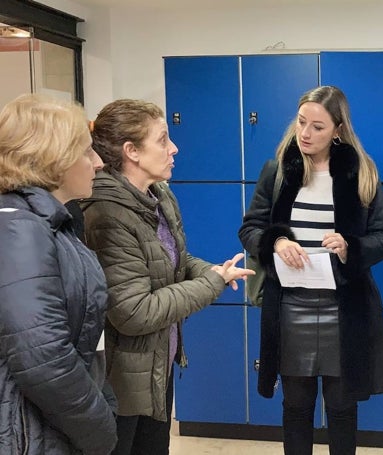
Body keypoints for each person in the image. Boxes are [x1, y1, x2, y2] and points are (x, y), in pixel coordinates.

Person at [80, 99, 254, 455]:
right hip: (121, 379)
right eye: (162, 140)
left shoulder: (158, 196)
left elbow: (171, 260)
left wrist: (211, 271)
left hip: (158, 363)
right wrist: (211, 284)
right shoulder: (107, 213)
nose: (174, 148)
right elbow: (133, 312)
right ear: (132, 152)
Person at [238, 85, 383, 455]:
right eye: (301, 122)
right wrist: (275, 241)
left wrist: (349, 246)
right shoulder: (277, 171)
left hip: (344, 310)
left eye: (318, 127)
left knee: (342, 407)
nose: (305, 134)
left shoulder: (362, 172)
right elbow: (250, 229)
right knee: (296, 406)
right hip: (292, 308)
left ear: (338, 130)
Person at [0, 93, 117, 454]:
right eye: (86, 151)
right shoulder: (22, 230)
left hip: (51, 424)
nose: (98, 162)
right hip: (32, 431)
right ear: (53, 158)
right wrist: (100, 428)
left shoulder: (50, 223)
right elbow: (43, 359)